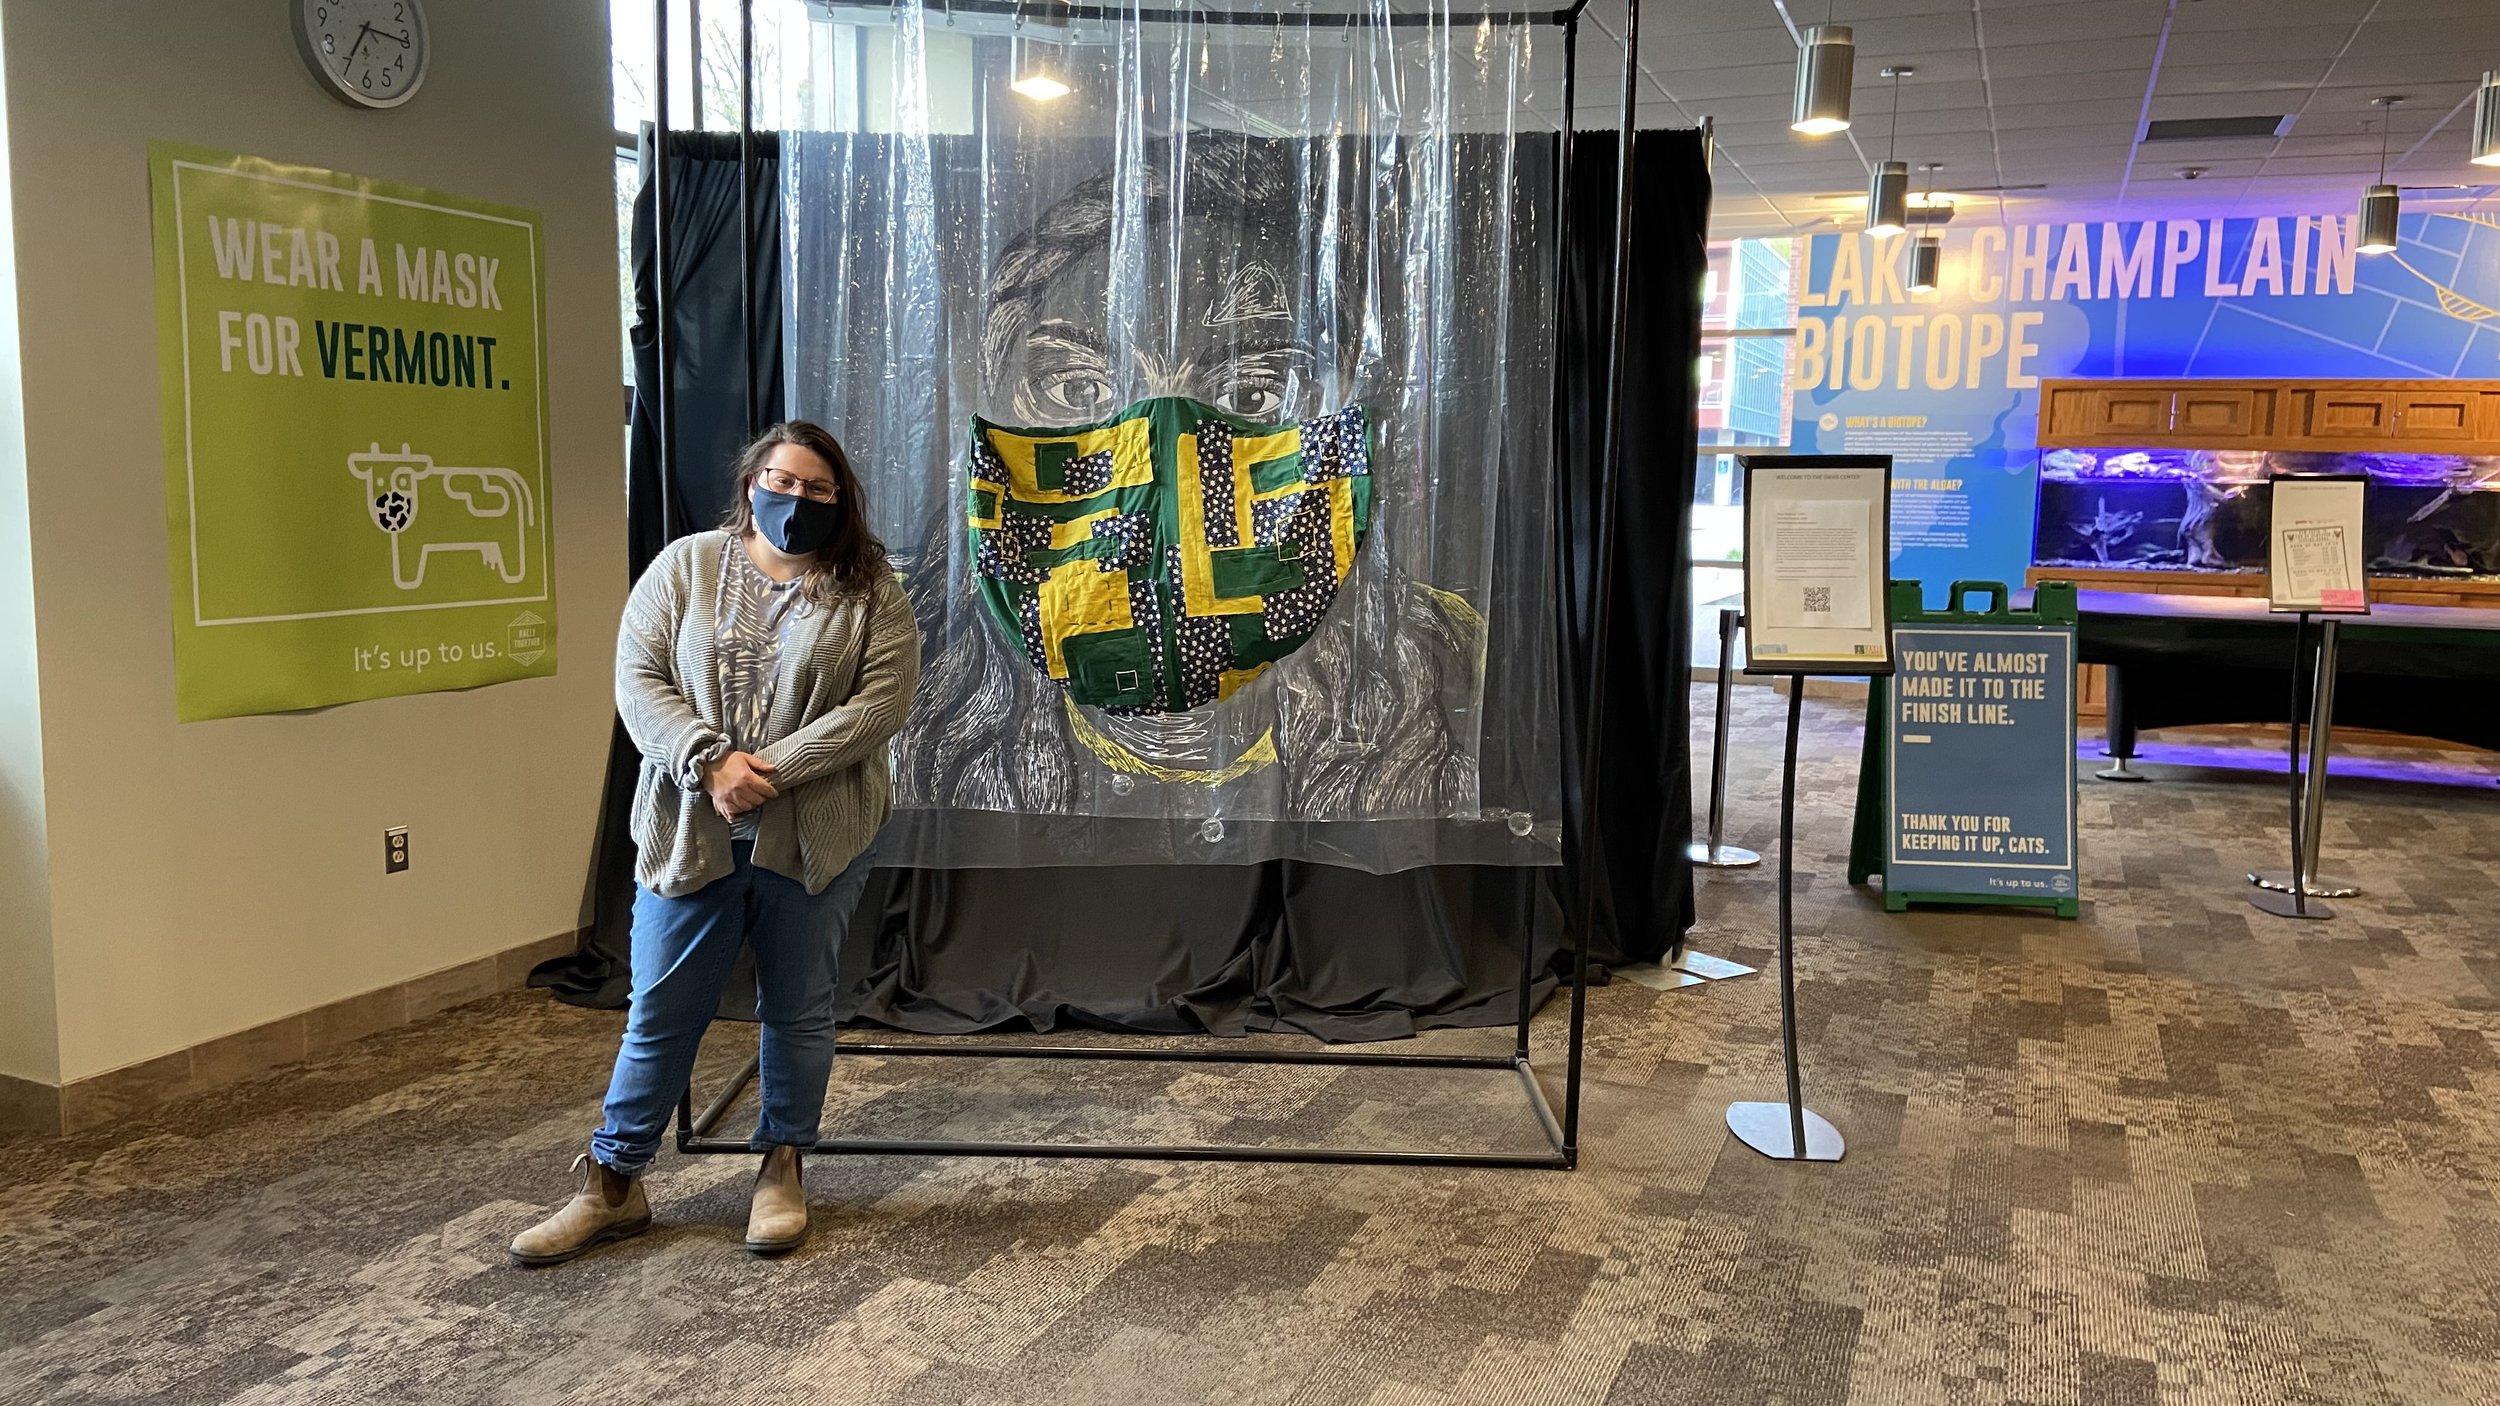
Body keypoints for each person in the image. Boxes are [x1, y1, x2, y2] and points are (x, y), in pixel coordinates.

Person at [510, 421, 920, 1266]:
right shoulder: (685, 567)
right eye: (781, 481)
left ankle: (781, 1165)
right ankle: (613, 1183)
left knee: (797, 1008)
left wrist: (766, 771)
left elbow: (881, 705)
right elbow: (639, 680)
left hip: (815, 838)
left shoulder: (872, 589)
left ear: (841, 500)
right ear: (750, 484)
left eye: (817, 488)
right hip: (689, 831)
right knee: (660, 1011)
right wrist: (709, 763)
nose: (796, 499)